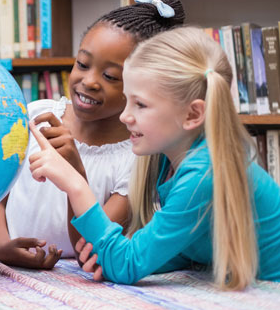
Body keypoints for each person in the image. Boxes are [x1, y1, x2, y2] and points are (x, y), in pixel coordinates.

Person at [30, 26, 280, 289]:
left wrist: (75, 185)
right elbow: (185, 247)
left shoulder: (204, 173)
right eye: (128, 101)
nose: (125, 116)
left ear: (193, 115)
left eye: (141, 105)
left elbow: (127, 265)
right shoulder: (168, 158)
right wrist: (109, 257)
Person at [0, 0, 185, 268]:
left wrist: (74, 172)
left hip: (73, 281)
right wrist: (2, 247)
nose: (88, 82)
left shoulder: (138, 159)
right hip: (3, 265)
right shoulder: (34, 115)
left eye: (110, 76)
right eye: (82, 64)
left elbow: (90, 247)